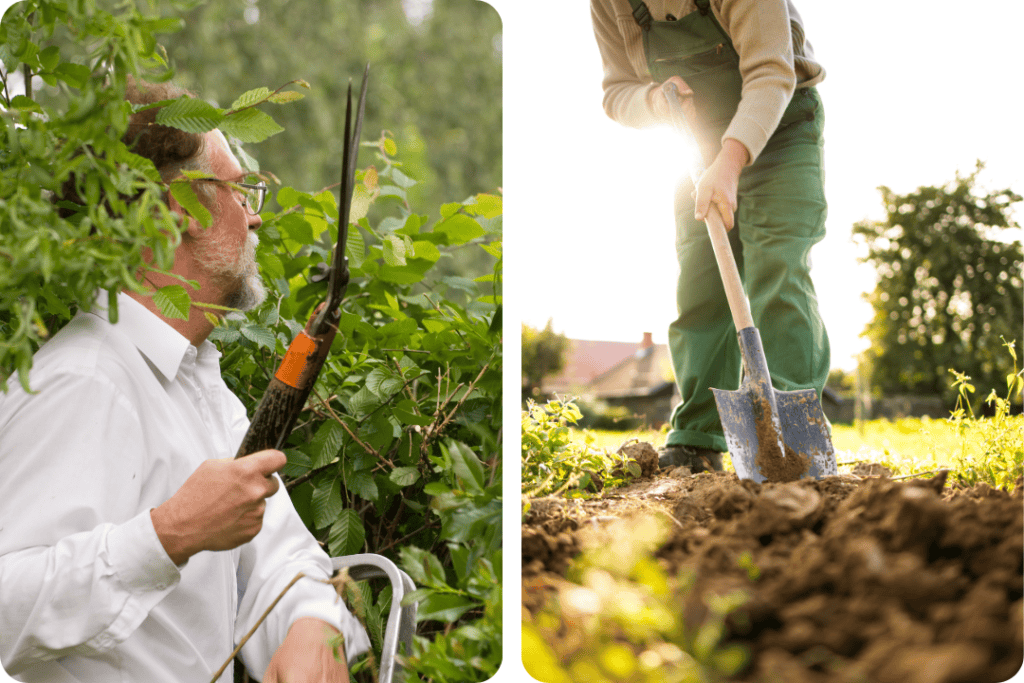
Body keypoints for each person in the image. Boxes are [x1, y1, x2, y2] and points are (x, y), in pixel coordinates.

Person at [0, 79, 369, 682]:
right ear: (182, 208)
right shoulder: (84, 383)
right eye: (240, 189)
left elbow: (283, 556)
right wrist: (168, 535)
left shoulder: (199, 385)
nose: (254, 216)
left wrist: (312, 625)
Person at [591, 0, 831, 472]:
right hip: (694, 144)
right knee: (701, 287)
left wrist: (731, 160)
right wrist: (654, 101)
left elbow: (771, 70)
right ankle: (698, 437)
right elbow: (617, 90)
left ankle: (794, 440)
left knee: (778, 269)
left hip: (779, 128)